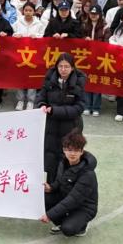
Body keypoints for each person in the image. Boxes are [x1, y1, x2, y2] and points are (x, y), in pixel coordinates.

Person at [36, 53, 86, 183]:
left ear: (72, 68)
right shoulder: (49, 80)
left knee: (67, 160)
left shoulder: (79, 83)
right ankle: (50, 186)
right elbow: (41, 97)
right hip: (50, 127)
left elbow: (79, 107)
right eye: (60, 66)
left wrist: (54, 111)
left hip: (71, 129)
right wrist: (41, 105)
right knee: (50, 159)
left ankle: (66, 186)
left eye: (66, 67)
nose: (63, 69)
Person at [41, 131, 98, 238]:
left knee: (68, 229)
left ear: (82, 151)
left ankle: (82, 226)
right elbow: (60, 181)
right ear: (64, 150)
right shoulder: (63, 163)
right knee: (43, 198)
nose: (72, 153)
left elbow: (73, 199)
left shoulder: (87, 173)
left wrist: (49, 215)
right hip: (66, 198)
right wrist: (51, 188)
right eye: (69, 150)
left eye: (76, 150)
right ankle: (63, 222)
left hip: (84, 207)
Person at [80, 5, 108, 116]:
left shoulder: (105, 27)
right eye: (92, 13)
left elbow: (107, 43)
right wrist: (84, 39)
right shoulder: (84, 25)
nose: (93, 16)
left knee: (97, 82)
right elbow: (78, 39)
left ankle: (96, 107)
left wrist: (97, 45)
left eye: (96, 14)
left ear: (100, 15)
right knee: (86, 82)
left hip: (99, 58)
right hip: (86, 57)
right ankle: (87, 106)